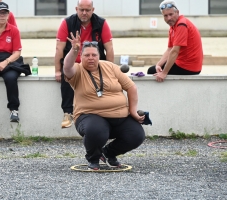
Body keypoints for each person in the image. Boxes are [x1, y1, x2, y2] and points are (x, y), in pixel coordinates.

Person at [63, 31, 145, 170]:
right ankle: (93, 159)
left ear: (99, 56)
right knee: (97, 130)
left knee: (137, 135)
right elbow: (67, 67)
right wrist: (74, 49)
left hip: (119, 115)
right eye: (86, 55)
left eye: (94, 55)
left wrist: (133, 112)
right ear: (81, 57)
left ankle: (108, 154)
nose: (90, 58)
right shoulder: (77, 70)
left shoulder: (110, 67)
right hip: (90, 115)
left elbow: (131, 87)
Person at [54, 0, 114, 128]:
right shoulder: (67, 23)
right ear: (76, 9)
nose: (84, 13)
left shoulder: (101, 23)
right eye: (81, 10)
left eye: (87, 10)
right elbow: (59, 48)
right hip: (74, 63)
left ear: (93, 10)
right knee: (67, 74)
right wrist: (57, 70)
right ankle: (68, 113)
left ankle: (101, 111)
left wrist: (110, 69)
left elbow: (109, 49)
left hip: (95, 63)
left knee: (103, 82)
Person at [147, 0, 203, 82]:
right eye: (165, 16)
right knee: (155, 69)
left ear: (177, 12)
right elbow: (169, 49)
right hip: (185, 65)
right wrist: (158, 64)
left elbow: (174, 52)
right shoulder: (173, 27)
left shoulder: (181, 24)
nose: (168, 18)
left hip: (189, 67)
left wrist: (164, 72)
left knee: (151, 72)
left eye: (171, 14)